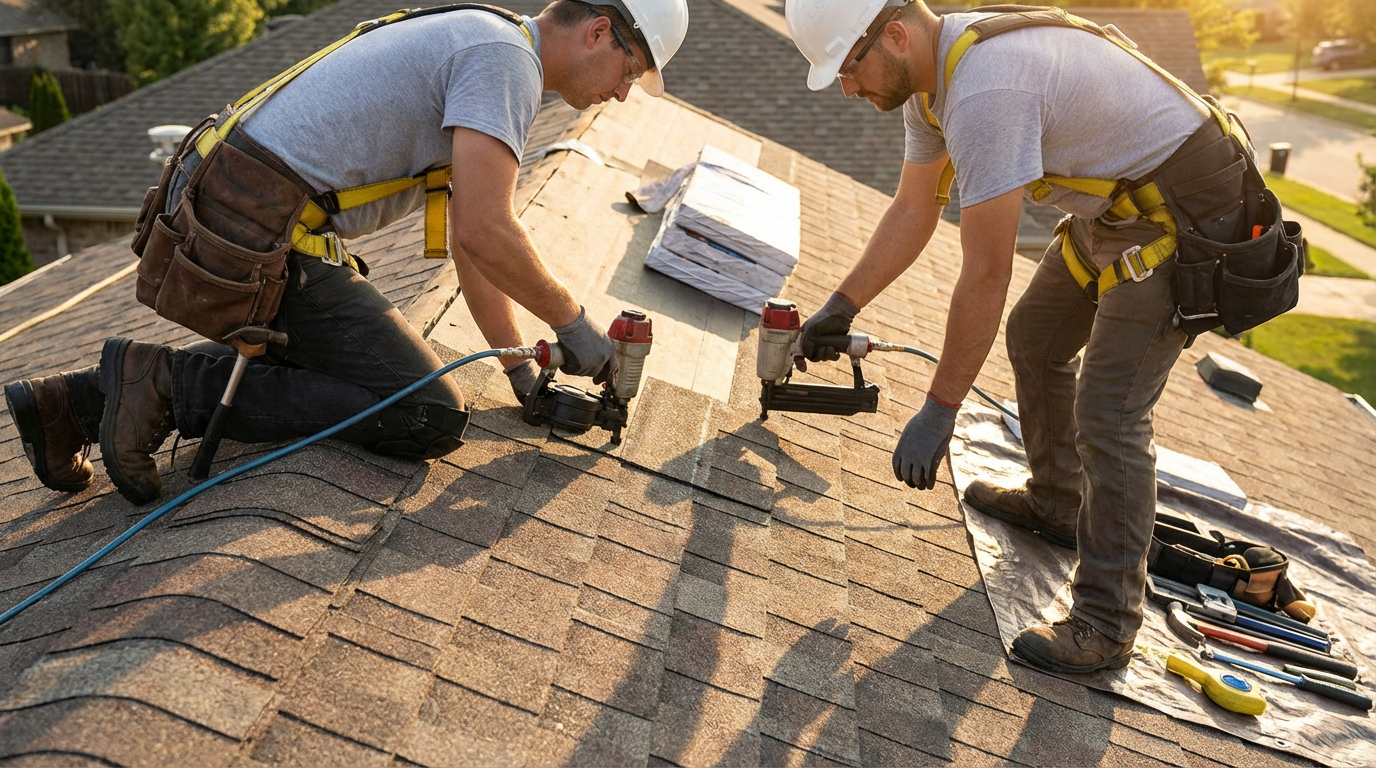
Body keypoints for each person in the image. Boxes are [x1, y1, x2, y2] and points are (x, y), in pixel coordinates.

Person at [3, 0, 689, 506]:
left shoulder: (489, 37)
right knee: (429, 413)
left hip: (234, 211)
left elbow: (468, 242)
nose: (624, 93)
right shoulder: (504, 62)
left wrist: (518, 372)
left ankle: (72, 405)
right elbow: (487, 228)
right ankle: (161, 388)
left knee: (343, 361)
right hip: (255, 228)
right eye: (629, 71)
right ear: (599, 32)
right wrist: (574, 326)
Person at [785, 0, 1278, 673]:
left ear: (894, 36)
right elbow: (912, 209)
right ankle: (1056, 499)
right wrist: (840, 304)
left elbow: (985, 272)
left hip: (1187, 217)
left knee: (1110, 414)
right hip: (1123, 201)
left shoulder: (987, 91)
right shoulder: (932, 84)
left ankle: (1106, 623)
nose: (846, 86)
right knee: (1037, 337)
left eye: (847, 67)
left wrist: (940, 411)